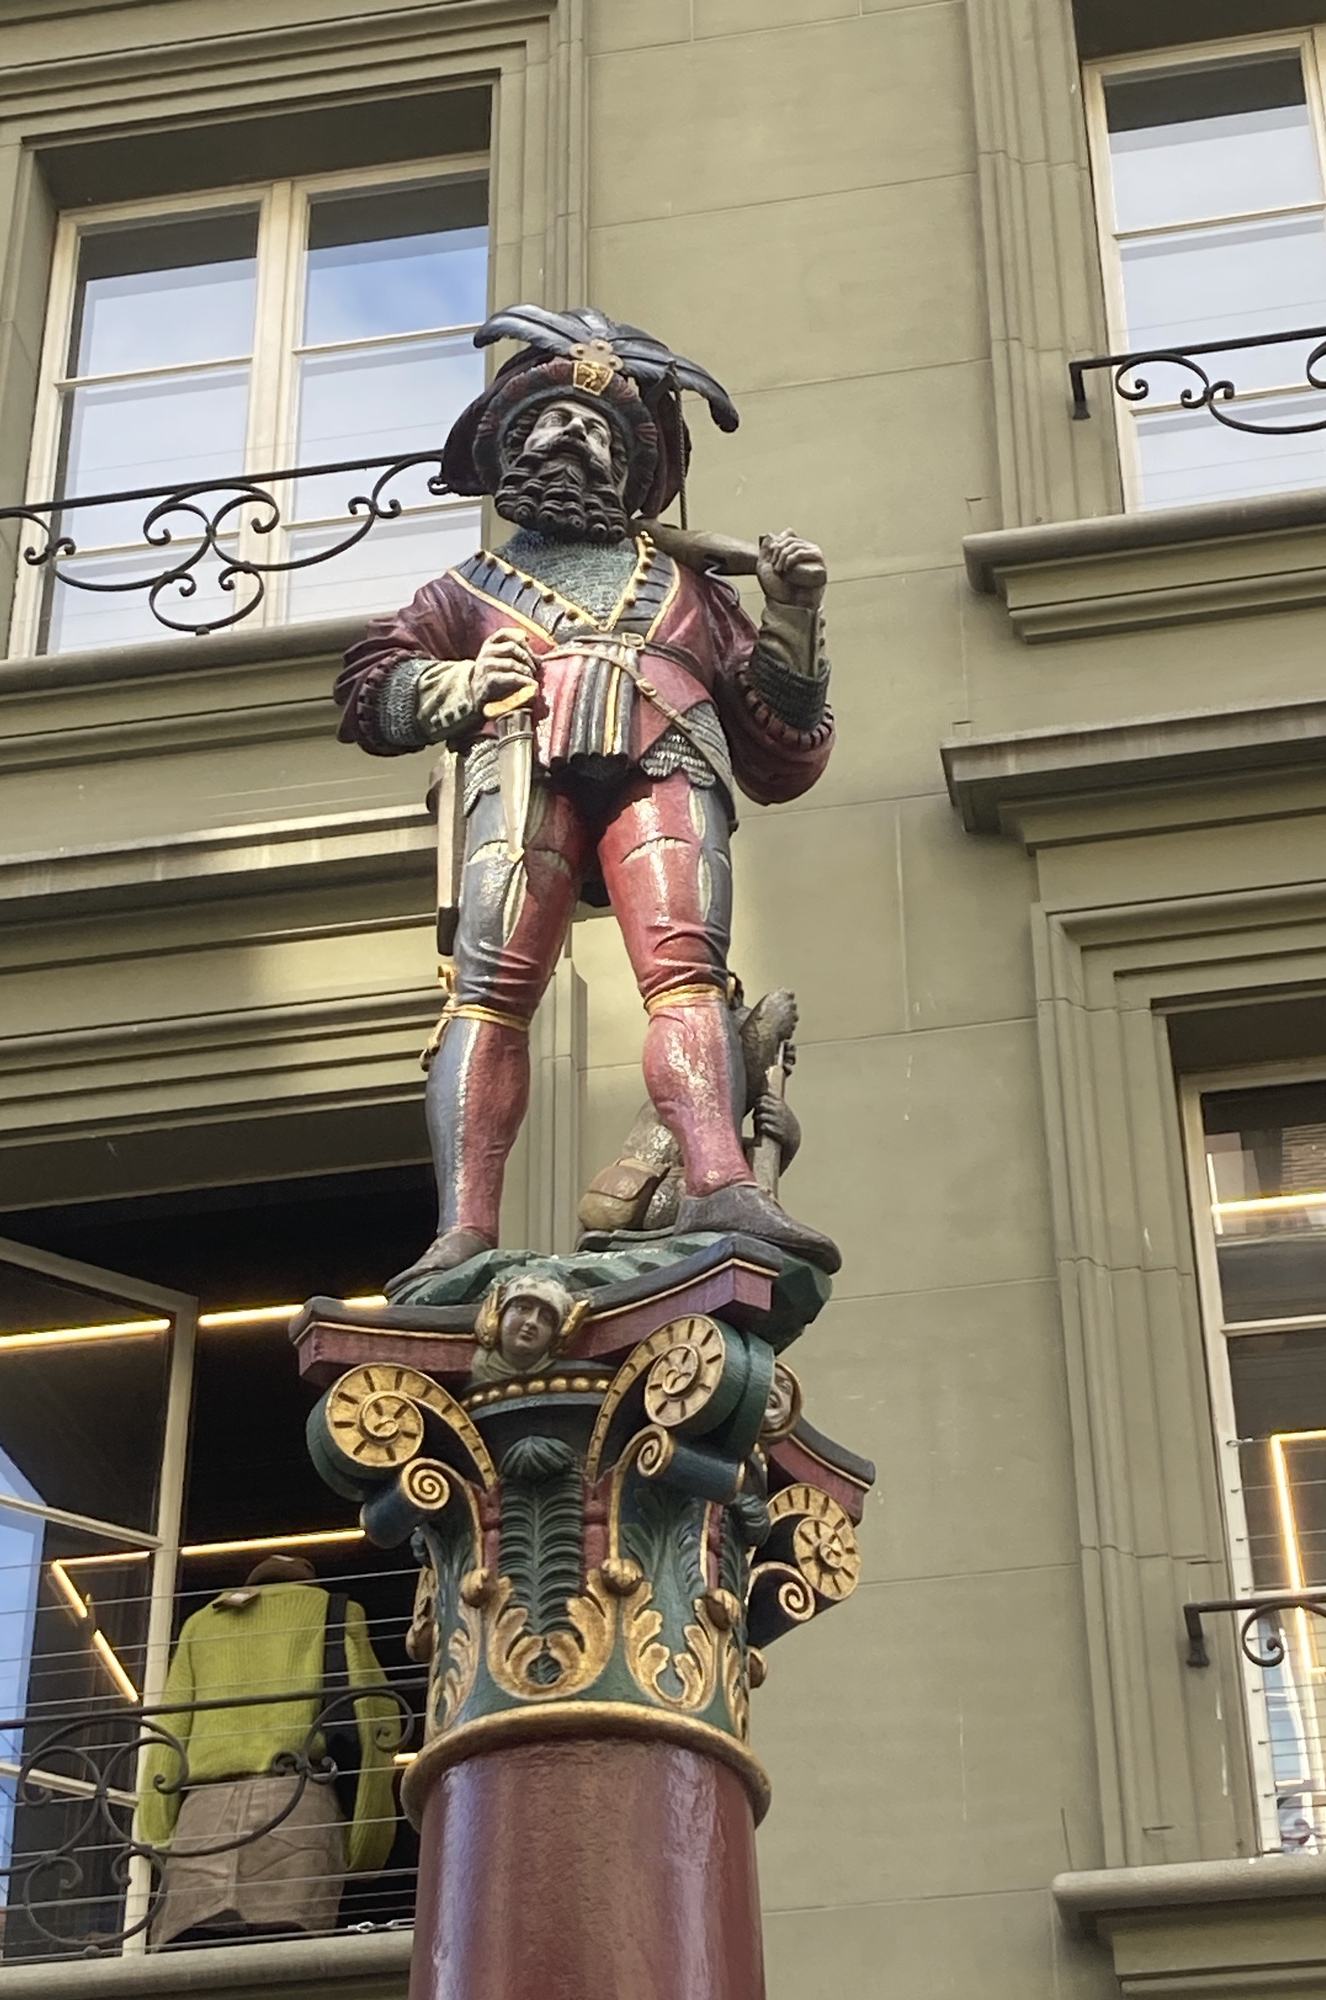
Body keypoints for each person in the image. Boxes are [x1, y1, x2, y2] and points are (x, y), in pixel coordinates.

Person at [335, 307, 842, 1290]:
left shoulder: (694, 590)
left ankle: (721, 1179)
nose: (573, 436)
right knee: (490, 990)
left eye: (597, 429)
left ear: (627, 466)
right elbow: (370, 687)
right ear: (513, 449)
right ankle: (464, 1225)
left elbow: (783, 740)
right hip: (519, 761)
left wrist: (791, 612)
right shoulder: (467, 588)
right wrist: (457, 683)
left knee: (688, 971)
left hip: (671, 754)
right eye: (552, 421)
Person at [137, 1555, 397, 1948]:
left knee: (194, 1958)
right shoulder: (335, 1612)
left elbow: (170, 1731)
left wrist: (158, 1833)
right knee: (290, 1957)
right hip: (297, 1805)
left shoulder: (201, 1624)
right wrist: (367, 1841)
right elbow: (373, 1717)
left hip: (204, 1817)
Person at [469, 1270, 585, 1385]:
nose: (532, 1322)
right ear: (500, 1316)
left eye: (546, 1318)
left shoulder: (571, 1375)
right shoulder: (473, 1368)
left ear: (554, 1336)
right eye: (522, 1308)